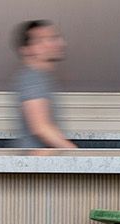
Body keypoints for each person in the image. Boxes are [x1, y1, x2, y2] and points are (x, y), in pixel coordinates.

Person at [10, 20, 75, 150]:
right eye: (50, 39)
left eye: (56, 38)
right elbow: (41, 128)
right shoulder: (32, 78)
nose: (61, 43)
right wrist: (77, 156)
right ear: (27, 50)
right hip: (34, 162)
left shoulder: (41, 78)